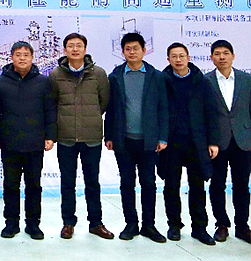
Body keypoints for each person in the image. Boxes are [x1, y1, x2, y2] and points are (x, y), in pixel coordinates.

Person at [104, 32, 169, 243]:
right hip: (124, 140)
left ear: (144, 50)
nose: (132, 52)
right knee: (127, 183)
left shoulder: (156, 76)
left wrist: (162, 137)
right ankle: (131, 223)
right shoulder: (115, 76)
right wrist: (109, 135)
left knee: (148, 183)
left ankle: (149, 225)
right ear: (123, 52)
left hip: (149, 141)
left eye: (136, 48)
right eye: (128, 49)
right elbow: (111, 109)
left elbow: (163, 108)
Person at [49, 33, 113, 240]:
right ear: (64, 50)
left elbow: (104, 102)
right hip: (66, 137)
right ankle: (68, 223)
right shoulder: (56, 74)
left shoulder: (99, 73)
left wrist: (90, 117)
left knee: (92, 182)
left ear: (85, 49)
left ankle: (96, 223)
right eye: (70, 46)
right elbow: (53, 104)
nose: (75, 49)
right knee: (67, 183)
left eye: (79, 46)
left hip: (91, 136)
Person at [0, 41, 56, 240]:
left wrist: (50, 136)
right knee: (11, 185)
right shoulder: (1, 81)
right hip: (10, 142)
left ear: (32, 58)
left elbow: (50, 111)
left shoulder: (43, 82)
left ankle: (33, 224)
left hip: (35, 143)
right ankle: (11, 224)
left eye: (26, 55)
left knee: (34, 186)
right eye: (18, 54)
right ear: (11, 58)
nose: (22, 58)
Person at [159, 42, 220, 245]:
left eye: (181, 56)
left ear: (188, 58)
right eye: (174, 56)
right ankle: (174, 225)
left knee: (197, 187)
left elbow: (211, 113)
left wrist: (213, 141)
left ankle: (199, 228)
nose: (178, 60)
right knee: (171, 186)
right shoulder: (162, 81)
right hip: (171, 143)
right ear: (168, 59)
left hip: (196, 142)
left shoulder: (201, 81)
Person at [206, 39, 251, 244]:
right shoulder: (206, 81)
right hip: (217, 142)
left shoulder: (246, 80)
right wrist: (209, 140)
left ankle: (242, 226)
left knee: (242, 185)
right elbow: (204, 114)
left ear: (233, 56)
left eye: (225, 53)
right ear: (211, 57)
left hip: (243, 140)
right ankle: (221, 224)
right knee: (217, 184)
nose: (221, 57)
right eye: (217, 53)